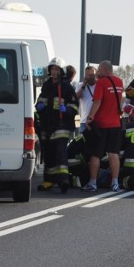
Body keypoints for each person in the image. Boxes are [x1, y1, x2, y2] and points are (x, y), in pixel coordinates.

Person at [35, 56, 79, 193]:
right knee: (48, 153)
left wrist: (66, 110)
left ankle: (63, 180)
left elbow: (74, 105)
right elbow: (39, 101)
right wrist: (40, 105)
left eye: (56, 69)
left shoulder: (66, 87)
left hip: (62, 125)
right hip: (47, 124)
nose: (54, 72)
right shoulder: (47, 85)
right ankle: (49, 180)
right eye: (52, 69)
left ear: (61, 71)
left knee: (60, 151)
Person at [82, 60, 124, 192]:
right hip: (116, 124)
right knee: (113, 153)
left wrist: (90, 117)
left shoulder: (101, 82)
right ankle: (115, 183)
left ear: (105, 70)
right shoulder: (119, 82)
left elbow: (97, 102)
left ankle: (93, 183)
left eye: (99, 70)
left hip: (101, 124)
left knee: (96, 154)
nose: (97, 73)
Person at [75, 65, 97, 134]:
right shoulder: (80, 85)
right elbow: (75, 98)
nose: (89, 77)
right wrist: (83, 86)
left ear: (95, 75)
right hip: (83, 121)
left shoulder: (99, 85)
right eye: (87, 75)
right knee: (82, 143)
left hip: (96, 121)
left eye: (91, 75)